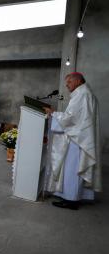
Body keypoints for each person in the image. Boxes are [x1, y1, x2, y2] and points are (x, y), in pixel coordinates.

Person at [44, 72, 101, 210]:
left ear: (78, 81)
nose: (67, 85)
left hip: (78, 140)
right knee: (74, 169)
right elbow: (75, 117)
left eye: (69, 82)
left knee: (72, 170)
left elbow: (71, 119)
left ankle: (72, 200)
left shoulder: (82, 95)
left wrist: (53, 113)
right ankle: (75, 196)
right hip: (81, 138)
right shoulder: (85, 93)